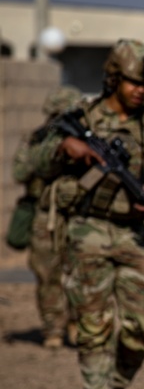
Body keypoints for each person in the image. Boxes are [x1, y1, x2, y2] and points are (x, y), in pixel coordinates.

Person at [27, 39, 144, 389]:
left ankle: (116, 384)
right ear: (115, 77)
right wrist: (68, 148)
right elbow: (31, 159)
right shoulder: (81, 116)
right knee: (93, 324)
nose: (140, 90)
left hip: (134, 233)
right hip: (87, 230)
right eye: (134, 81)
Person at [12, 85, 82, 349]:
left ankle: (77, 324)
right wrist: (48, 153)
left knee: (80, 272)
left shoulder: (87, 140)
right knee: (47, 273)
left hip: (76, 214)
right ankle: (53, 328)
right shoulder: (36, 140)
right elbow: (19, 173)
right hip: (44, 215)